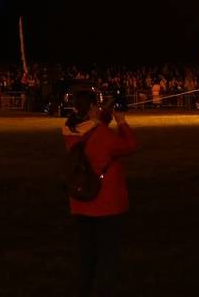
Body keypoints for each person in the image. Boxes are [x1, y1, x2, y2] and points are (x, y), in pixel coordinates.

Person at [63, 91, 137, 297]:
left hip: (81, 202)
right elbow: (130, 145)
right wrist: (121, 121)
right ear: (93, 107)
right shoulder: (101, 134)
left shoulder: (70, 131)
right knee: (108, 256)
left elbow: (93, 127)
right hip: (106, 204)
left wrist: (104, 114)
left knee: (87, 255)